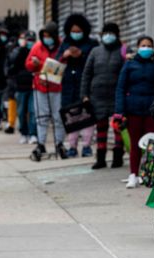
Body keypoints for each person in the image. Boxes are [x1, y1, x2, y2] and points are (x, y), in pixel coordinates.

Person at [114, 35, 154, 188]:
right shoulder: (129, 64)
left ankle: (150, 174)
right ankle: (133, 174)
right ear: (138, 47)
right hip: (133, 110)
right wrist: (119, 111)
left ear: (153, 48)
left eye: (149, 45)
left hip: (153, 111)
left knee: (152, 144)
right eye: (143, 45)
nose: (146, 48)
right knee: (134, 144)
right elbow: (120, 88)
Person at [80, 22, 128, 169]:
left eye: (111, 33)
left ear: (117, 35)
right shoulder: (95, 52)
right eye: (106, 33)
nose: (108, 36)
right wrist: (84, 95)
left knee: (118, 127)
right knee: (100, 128)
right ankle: (100, 158)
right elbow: (86, 74)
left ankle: (117, 157)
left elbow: (128, 73)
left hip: (116, 96)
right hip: (97, 96)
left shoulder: (123, 51)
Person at [57, 14, 98, 158]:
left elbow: (95, 63)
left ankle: (87, 146)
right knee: (71, 118)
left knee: (87, 118)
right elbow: (56, 64)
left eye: (78, 31)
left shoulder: (92, 44)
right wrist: (65, 55)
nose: (75, 34)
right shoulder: (65, 44)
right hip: (68, 87)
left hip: (86, 86)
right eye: (73, 31)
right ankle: (72, 146)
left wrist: (81, 55)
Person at [25, 21, 67, 160]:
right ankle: (41, 142)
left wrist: (41, 64)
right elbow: (28, 64)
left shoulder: (62, 47)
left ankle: (59, 142)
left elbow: (63, 64)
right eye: (44, 35)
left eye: (49, 35)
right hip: (40, 86)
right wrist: (34, 64)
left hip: (57, 87)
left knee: (58, 117)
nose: (46, 38)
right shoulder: (37, 47)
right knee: (41, 117)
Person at [8, 30, 37, 144]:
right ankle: (23, 133)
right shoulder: (18, 51)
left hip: (33, 86)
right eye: (28, 40)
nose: (30, 42)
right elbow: (12, 66)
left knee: (33, 111)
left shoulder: (36, 52)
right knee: (21, 112)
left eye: (32, 40)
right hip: (20, 86)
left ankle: (33, 133)